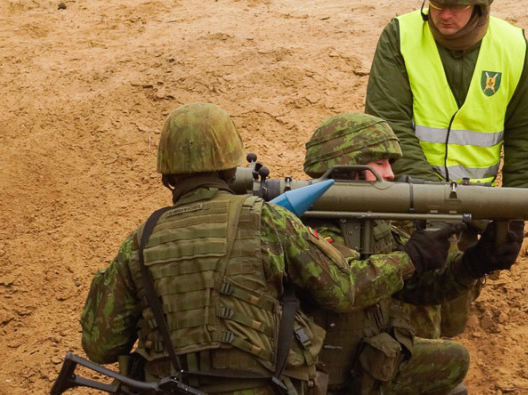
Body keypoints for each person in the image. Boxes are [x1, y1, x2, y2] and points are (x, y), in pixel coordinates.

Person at [80, 103, 372, 395]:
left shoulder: (141, 241)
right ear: (231, 166)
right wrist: (409, 258)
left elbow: (100, 345)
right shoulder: (268, 220)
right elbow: (342, 289)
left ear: (167, 172)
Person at [302, 113, 524, 395]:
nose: (390, 174)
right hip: (320, 375)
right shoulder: (305, 225)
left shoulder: (372, 223)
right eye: (380, 163)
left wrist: (473, 263)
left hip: (368, 361)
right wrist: (411, 258)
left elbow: (417, 288)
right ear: (348, 167)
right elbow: (344, 287)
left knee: (452, 368)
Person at [364, 0, 528, 189]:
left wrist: (513, 211)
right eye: (437, 4)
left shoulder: (514, 46)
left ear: (479, 6)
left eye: (457, 6)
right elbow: (388, 125)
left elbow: (527, 135)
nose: (444, 15)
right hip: (412, 200)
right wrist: (436, 200)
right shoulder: (401, 36)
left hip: (479, 205)